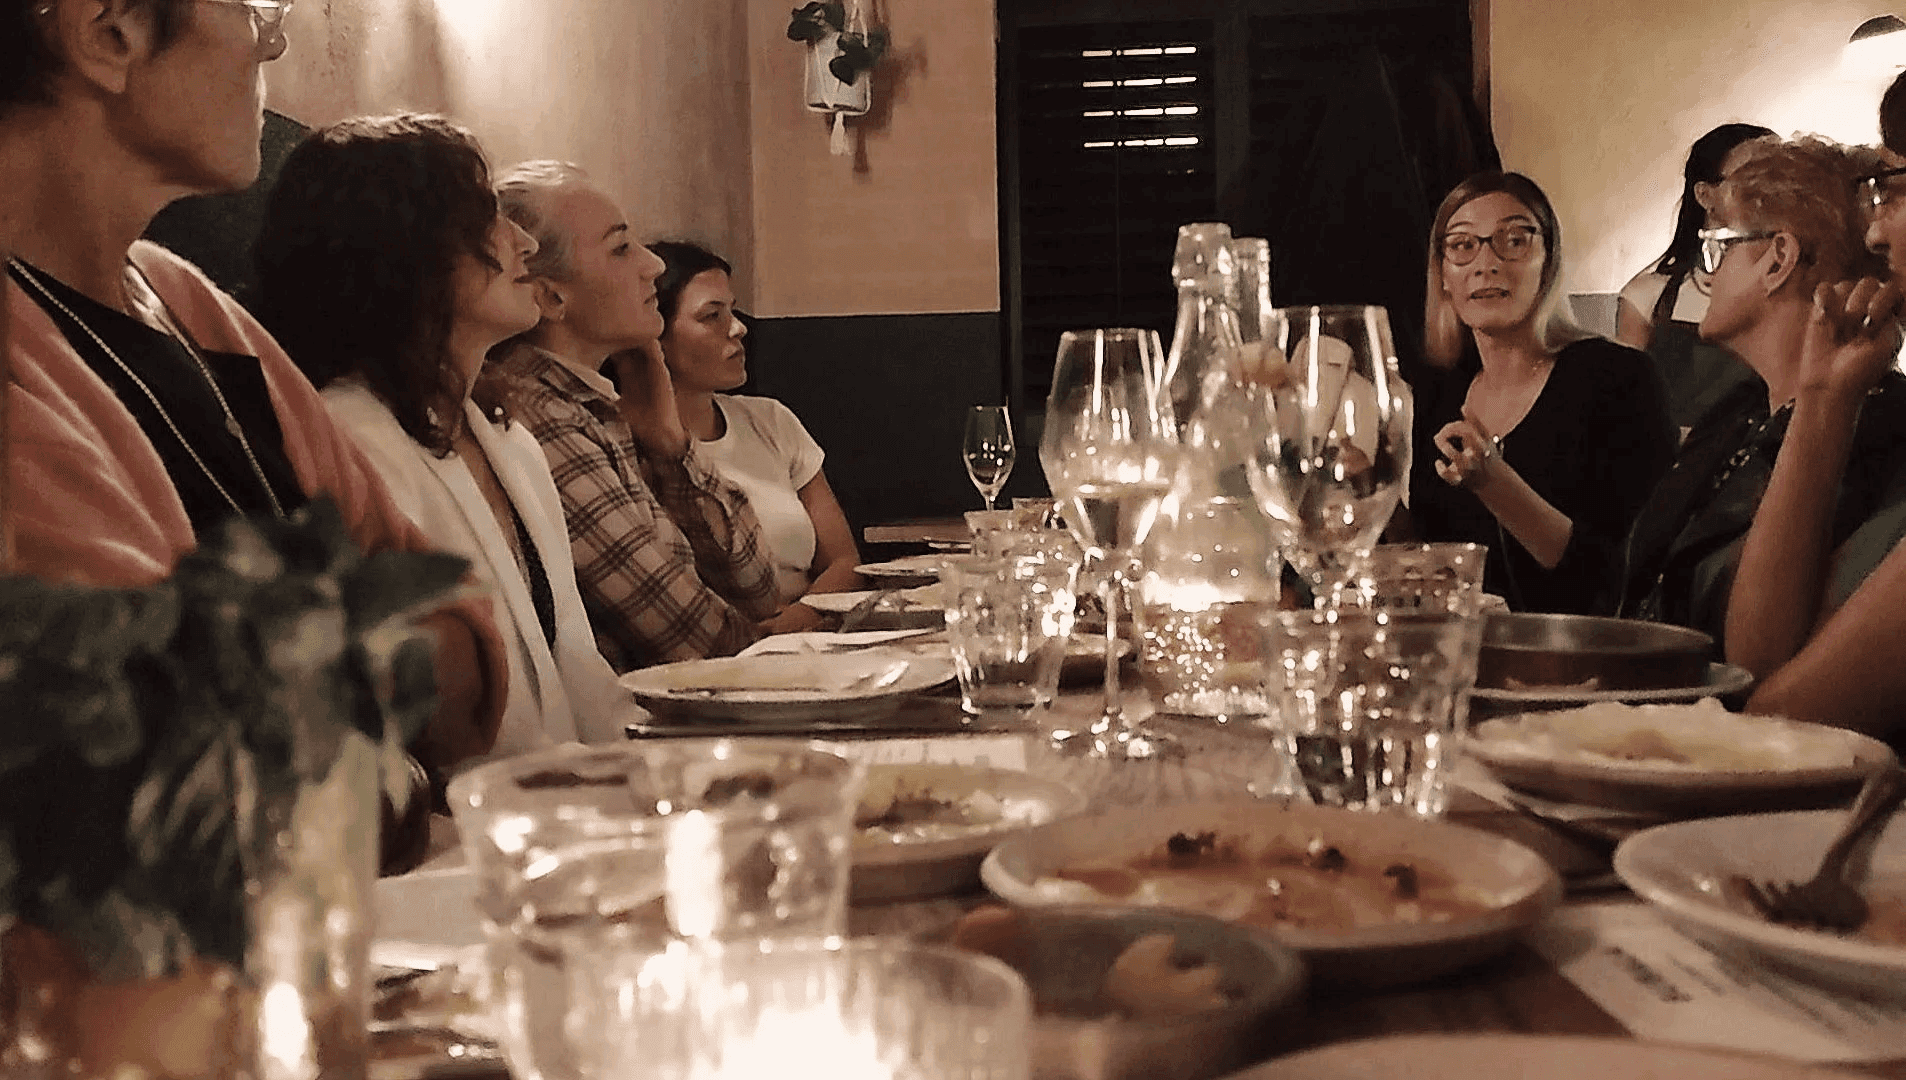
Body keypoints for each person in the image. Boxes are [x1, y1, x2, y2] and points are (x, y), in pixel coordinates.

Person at [0, 0, 505, 776]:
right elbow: (162, 770)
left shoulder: (188, 303)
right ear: (108, 31)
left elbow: (455, 612)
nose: (270, 42)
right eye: (252, 6)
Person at [253, 113, 639, 759]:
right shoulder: (347, 440)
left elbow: (576, 662)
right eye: (489, 215)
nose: (524, 243)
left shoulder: (506, 437)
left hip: (561, 810)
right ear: (405, 243)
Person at [1611, 137, 1906, 645]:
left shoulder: (1875, 429)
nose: (1708, 272)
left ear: (1778, 260)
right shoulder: (1740, 411)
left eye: (1718, 247)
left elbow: (1761, 662)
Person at [492, 162, 780, 671]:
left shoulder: (600, 410)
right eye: (621, 247)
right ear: (550, 296)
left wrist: (670, 442)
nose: (653, 266)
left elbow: (757, 587)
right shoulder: (540, 418)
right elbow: (699, 644)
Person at [1723, 70, 1906, 737]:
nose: (1877, 236)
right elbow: (1755, 664)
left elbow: (1782, 723)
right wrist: (1825, 398)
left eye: (1890, 190)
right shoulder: (1737, 415)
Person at [1409, 171, 1677, 615]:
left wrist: (1496, 485)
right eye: (1461, 245)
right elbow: (1429, 558)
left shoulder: (1618, 379)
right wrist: (1362, 491)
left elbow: (1627, 575)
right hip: (1467, 661)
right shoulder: (1440, 394)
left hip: (1582, 662)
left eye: (1514, 240)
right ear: (1442, 276)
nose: (1486, 263)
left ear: (1548, 262)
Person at [647, 240, 865, 633]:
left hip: (816, 633)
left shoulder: (769, 418)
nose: (738, 328)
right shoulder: (637, 447)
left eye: (733, 310)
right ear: (655, 336)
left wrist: (802, 618)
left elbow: (845, 560)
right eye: (712, 316)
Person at [1615, 123, 1775, 429]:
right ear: (1704, 195)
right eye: (1750, 179)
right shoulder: (1648, 295)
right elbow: (1625, 406)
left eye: (1777, 178)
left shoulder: (1789, 288)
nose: (1766, 192)